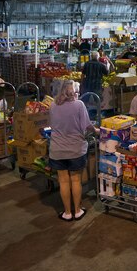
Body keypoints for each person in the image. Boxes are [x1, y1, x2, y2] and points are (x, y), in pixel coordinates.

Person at [49, 80, 97, 221]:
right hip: (75, 149)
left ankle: (67, 212)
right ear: (72, 91)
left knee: (63, 181)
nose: (78, 93)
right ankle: (77, 211)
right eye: (77, 91)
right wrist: (96, 130)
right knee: (75, 180)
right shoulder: (79, 105)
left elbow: (52, 125)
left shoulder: (53, 105)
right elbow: (87, 125)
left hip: (57, 150)